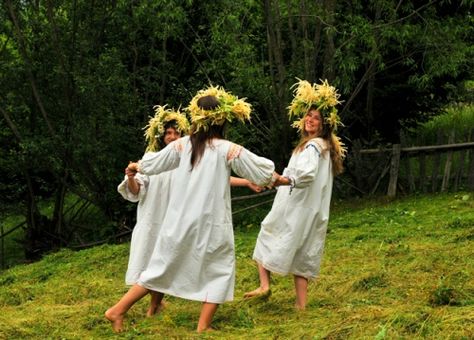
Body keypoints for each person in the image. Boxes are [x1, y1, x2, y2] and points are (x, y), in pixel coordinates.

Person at [105, 85, 275, 332]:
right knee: (220, 269)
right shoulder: (225, 148)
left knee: (159, 270)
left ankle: (117, 310)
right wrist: (282, 179)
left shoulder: (182, 145)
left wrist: (137, 165)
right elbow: (261, 172)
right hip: (211, 223)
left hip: (178, 222)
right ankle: (202, 326)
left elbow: (153, 162)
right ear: (221, 119)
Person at [244, 79, 347, 310]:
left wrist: (284, 179)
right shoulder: (323, 147)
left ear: (324, 125)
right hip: (311, 209)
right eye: (308, 116)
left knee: (266, 232)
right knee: (303, 253)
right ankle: (301, 306)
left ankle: (264, 285)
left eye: (316, 118)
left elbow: (307, 174)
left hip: (296, 206)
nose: (310, 120)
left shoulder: (313, 147)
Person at [117, 106, 189, 317]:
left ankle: (154, 305)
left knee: (165, 261)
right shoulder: (151, 158)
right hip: (152, 217)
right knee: (151, 260)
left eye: (177, 133)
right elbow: (137, 189)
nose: (173, 137)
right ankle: (153, 305)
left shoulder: (186, 160)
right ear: (161, 135)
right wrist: (130, 178)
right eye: (168, 133)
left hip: (175, 218)